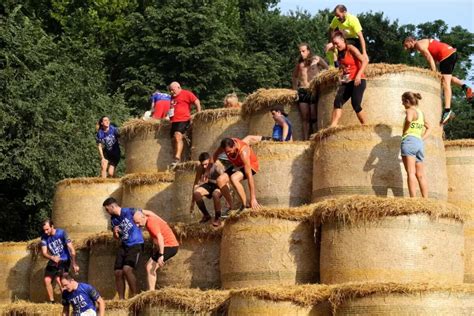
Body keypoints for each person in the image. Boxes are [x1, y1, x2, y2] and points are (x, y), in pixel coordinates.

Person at [403, 36, 473, 124]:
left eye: (406, 45)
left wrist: (434, 73)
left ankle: (447, 110)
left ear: (411, 41)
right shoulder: (424, 42)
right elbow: (433, 58)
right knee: (445, 77)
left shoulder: (418, 44)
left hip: (446, 55)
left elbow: (429, 58)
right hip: (451, 53)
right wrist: (434, 71)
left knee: (445, 82)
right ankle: (466, 87)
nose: (406, 48)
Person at [102, 197, 144, 299]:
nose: (107, 212)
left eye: (107, 209)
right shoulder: (113, 220)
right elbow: (116, 238)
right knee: (118, 272)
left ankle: (135, 295)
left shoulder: (128, 211)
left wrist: (140, 220)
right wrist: (115, 232)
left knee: (127, 269)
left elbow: (142, 213)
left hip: (135, 244)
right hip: (124, 245)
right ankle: (121, 298)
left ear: (113, 206)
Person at [330, 31, 368, 128]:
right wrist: (342, 72)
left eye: (336, 43)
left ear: (343, 40)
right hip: (347, 81)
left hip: (358, 80)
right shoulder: (339, 53)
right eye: (334, 44)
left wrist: (359, 75)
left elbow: (365, 60)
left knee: (355, 103)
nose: (335, 46)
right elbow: (342, 68)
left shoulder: (350, 48)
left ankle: (366, 126)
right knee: (337, 101)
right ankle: (333, 126)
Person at [133, 211, 179, 291]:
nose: (137, 225)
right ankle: (151, 291)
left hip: (170, 246)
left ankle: (151, 291)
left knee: (150, 267)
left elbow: (160, 238)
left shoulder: (151, 223)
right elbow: (156, 239)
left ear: (143, 217)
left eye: (138, 222)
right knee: (149, 266)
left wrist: (161, 255)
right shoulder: (149, 221)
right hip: (169, 246)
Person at [292, 43, 328, 139]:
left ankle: (316, 138)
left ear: (308, 51)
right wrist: (295, 89)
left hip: (314, 90)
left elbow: (328, 68)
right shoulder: (300, 64)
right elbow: (294, 76)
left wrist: (323, 81)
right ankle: (305, 139)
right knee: (305, 117)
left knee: (314, 115)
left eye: (303, 51)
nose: (301, 53)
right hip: (303, 91)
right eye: (300, 51)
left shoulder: (316, 59)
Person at [213, 137, 261, 211]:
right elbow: (215, 155)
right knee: (219, 180)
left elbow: (249, 176)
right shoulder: (225, 145)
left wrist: (253, 198)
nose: (227, 154)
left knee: (234, 178)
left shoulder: (243, 152)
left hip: (251, 165)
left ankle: (245, 206)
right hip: (238, 165)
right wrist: (207, 171)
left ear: (234, 146)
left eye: (229, 151)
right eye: (226, 152)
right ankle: (232, 207)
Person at [40, 219, 80, 303]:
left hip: (64, 259)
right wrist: (52, 257)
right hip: (54, 259)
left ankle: (67, 301)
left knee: (59, 279)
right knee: (47, 280)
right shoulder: (44, 237)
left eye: (47, 229)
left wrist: (74, 263)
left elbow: (71, 249)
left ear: (52, 226)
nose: (46, 232)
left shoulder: (62, 233)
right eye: (44, 230)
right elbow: (44, 252)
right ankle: (52, 302)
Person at [400, 92, 431, 198]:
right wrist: (422, 138)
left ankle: (413, 200)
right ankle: (425, 199)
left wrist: (404, 131)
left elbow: (408, 119)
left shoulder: (409, 111)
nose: (402, 104)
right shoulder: (421, 113)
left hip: (409, 141)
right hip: (419, 142)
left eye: (403, 101)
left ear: (407, 101)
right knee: (420, 175)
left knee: (411, 173)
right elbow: (429, 128)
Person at [191, 153, 232, 226]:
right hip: (210, 184)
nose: (204, 166)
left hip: (221, 185)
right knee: (196, 193)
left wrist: (227, 199)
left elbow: (227, 182)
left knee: (215, 194)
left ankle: (218, 218)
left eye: (206, 164)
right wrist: (192, 202)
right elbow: (196, 184)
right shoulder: (201, 168)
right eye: (202, 164)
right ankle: (206, 215)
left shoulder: (217, 166)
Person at [168, 82, 202, 169]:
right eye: (170, 90)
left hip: (183, 119)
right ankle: (179, 157)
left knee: (178, 136)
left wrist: (199, 114)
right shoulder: (171, 98)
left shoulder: (186, 93)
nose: (171, 92)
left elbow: (196, 101)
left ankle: (177, 158)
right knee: (173, 139)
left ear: (178, 87)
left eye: (173, 90)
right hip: (174, 121)